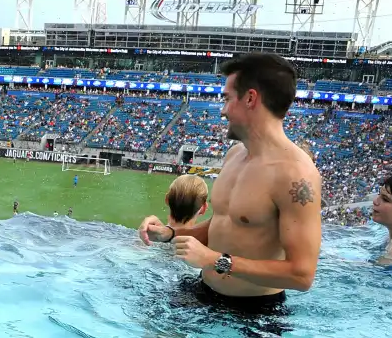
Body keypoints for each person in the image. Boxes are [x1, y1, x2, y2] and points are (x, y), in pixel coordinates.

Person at [137, 53, 322, 311]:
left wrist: (215, 260)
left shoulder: (296, 175)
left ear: (250, 98)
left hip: (255, 312)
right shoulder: (235, 155)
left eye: (226, 98)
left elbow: (302, 275)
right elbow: (225, 224)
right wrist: (170, 234)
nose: (222, 110)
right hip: (203, 290)